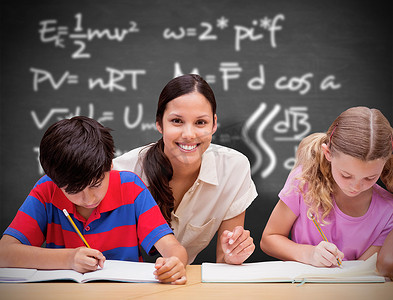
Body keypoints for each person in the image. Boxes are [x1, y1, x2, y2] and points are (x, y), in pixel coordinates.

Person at [0, 116, 187, 284]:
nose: (88, 199)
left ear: (111, 165)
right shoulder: (46, 190)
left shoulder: (131, 188)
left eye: (96, 184)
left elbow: (173, 248)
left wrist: (174, 263)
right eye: (73, 190)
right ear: (55, 181)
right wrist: (68, 259)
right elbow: (4, 253)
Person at [113, 74, 257, 264]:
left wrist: (233, 255)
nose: (189, 134)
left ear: (214, 124)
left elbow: (224, 258)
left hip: (182, 282)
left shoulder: (233, 168)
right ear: (159, 123)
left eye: (200, 122)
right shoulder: (122, 172)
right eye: (177, 121)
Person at [260, 106, 393, 267]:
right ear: (328, 153)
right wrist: (308, 254)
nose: (356, 186)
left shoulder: (388, 211)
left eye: (370, 177)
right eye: (346, 175)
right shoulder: (303, 181)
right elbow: (269, 239)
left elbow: (364, 271)